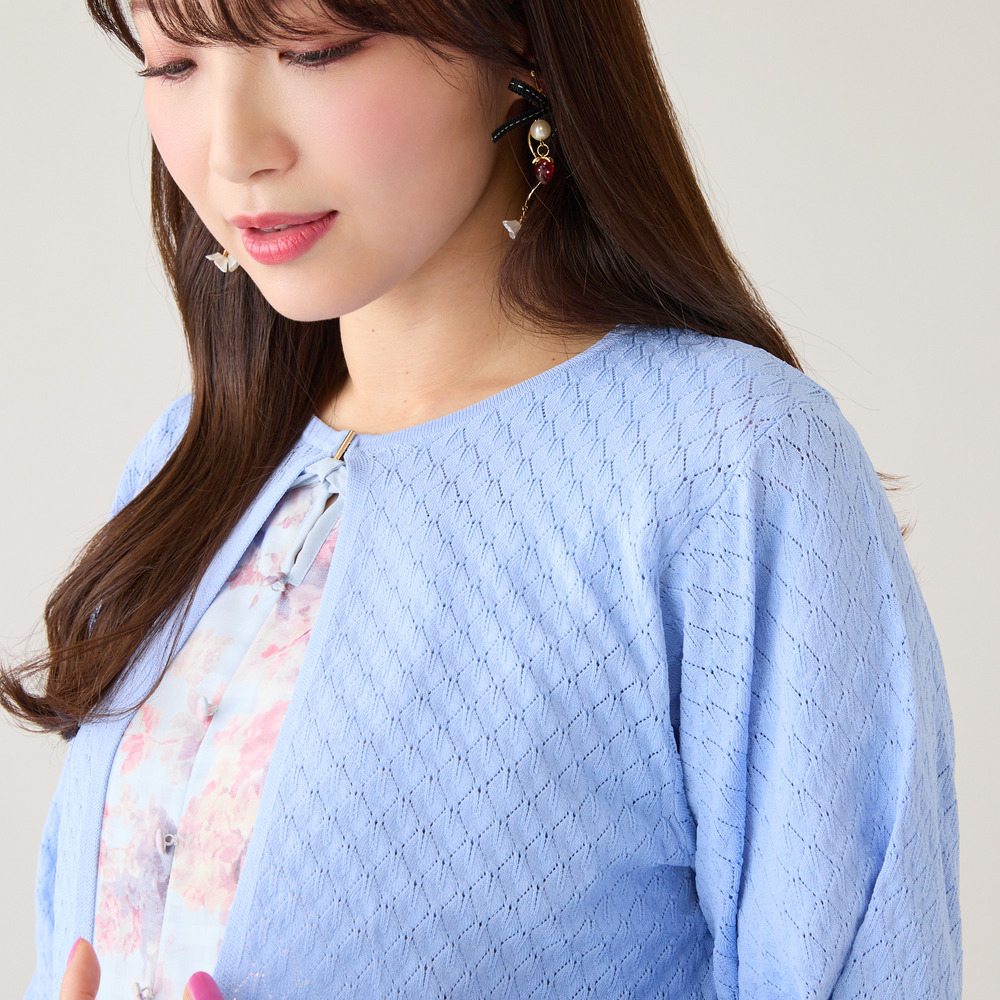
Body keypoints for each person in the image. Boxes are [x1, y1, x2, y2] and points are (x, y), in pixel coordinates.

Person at [2, 0, 960, 997]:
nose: (234, 151)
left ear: (519, 38)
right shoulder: (191, 459)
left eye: (314, 50)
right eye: (172, 65)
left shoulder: (727, 465)